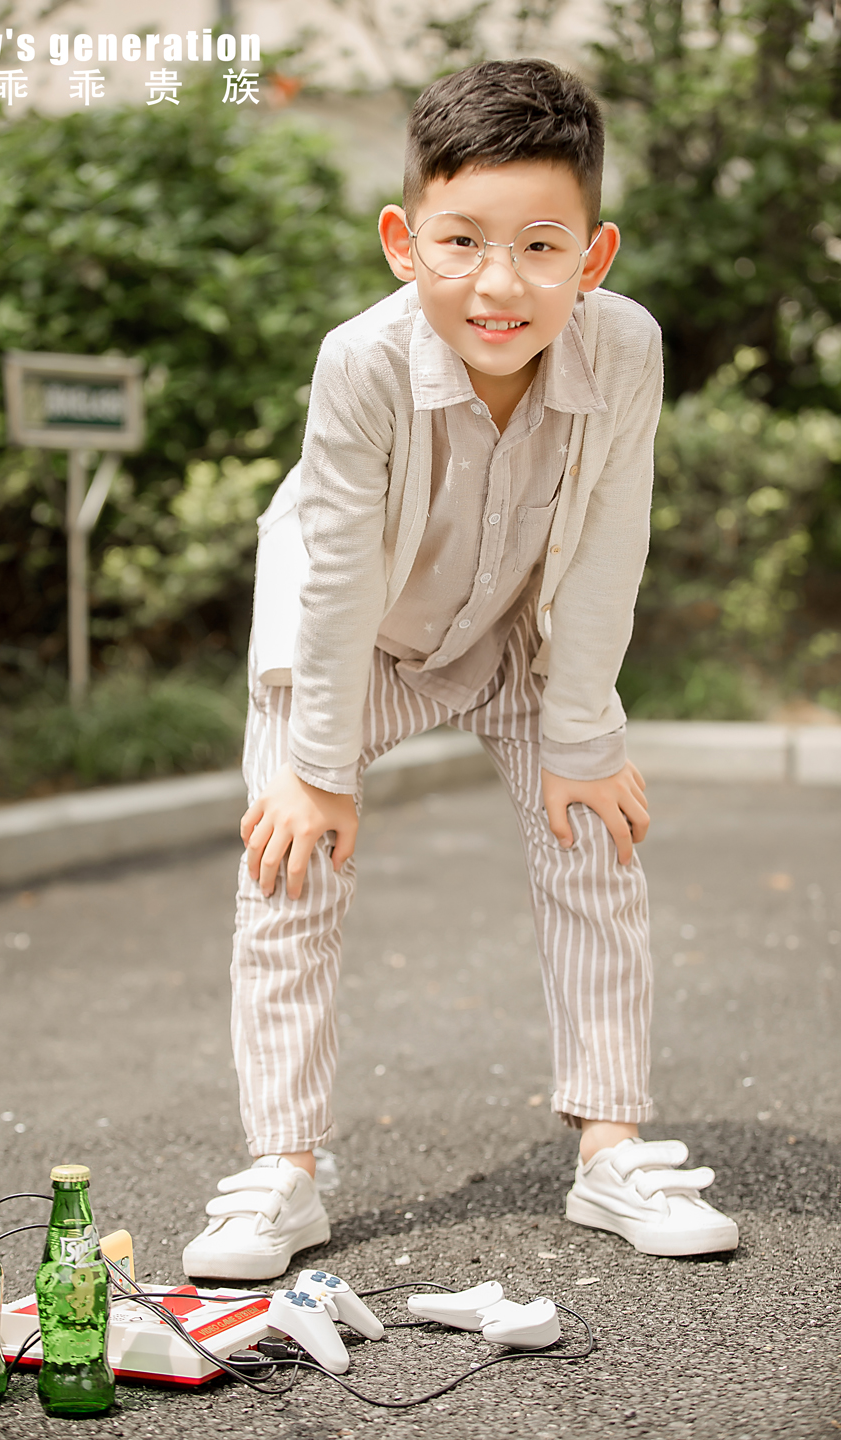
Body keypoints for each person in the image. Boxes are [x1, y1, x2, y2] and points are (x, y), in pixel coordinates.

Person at [182, 58, 739, 1281]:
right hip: (355, 643)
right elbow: (330, 575)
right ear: (403, 241)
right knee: (289, 859)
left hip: (513, 643)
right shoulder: (363, 362)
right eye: (463, 241)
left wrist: (584, 739)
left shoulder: (627, 349)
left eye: (543, 245)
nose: (501, 282)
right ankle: (285, 1169)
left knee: (595, 830)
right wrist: (319, 772)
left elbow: (608, 543)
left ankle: (610, 1148)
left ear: (592, 258)